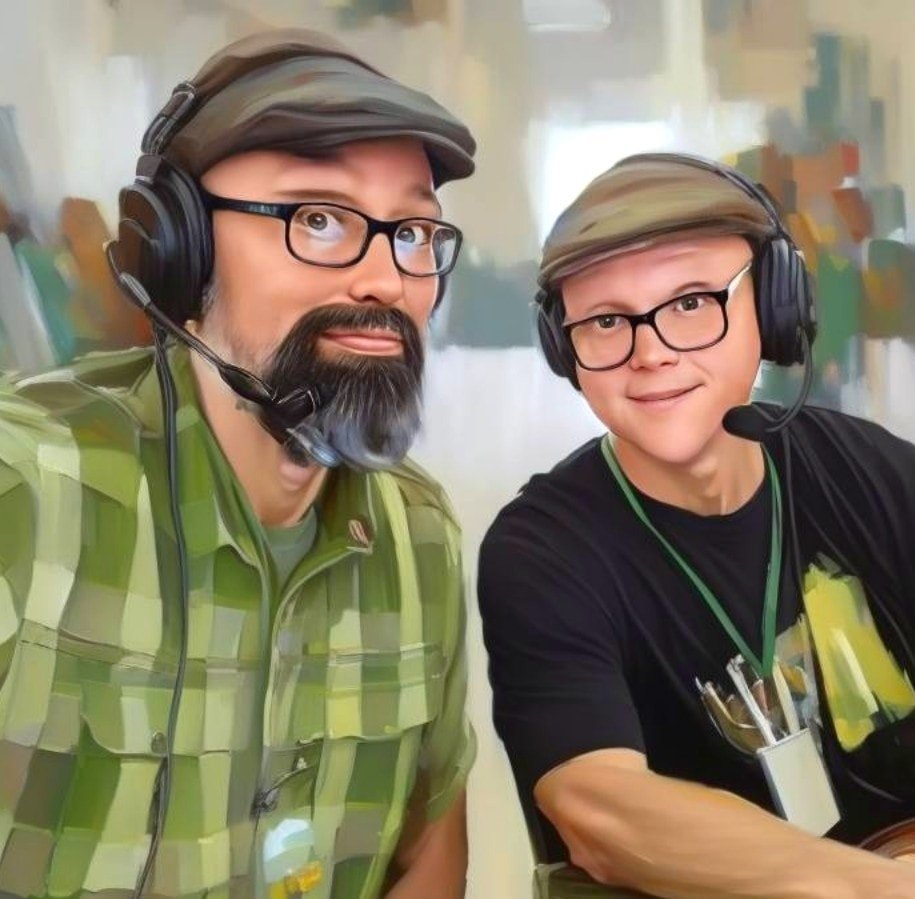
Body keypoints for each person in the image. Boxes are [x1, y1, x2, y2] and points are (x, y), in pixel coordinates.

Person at [0, 29, 476, 899]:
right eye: (317, 218)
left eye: (411, 231)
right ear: (176, 255)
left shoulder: (418, 537)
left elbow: (426, 850)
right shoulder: (24, 487)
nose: (386, 279)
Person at [477, 153, 915, 899]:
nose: (650, 354)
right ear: (564, 349)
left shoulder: (869, 470)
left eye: (690, 303)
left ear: (772, 312)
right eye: (607, 321)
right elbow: (600, 809)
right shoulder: (541, 549)